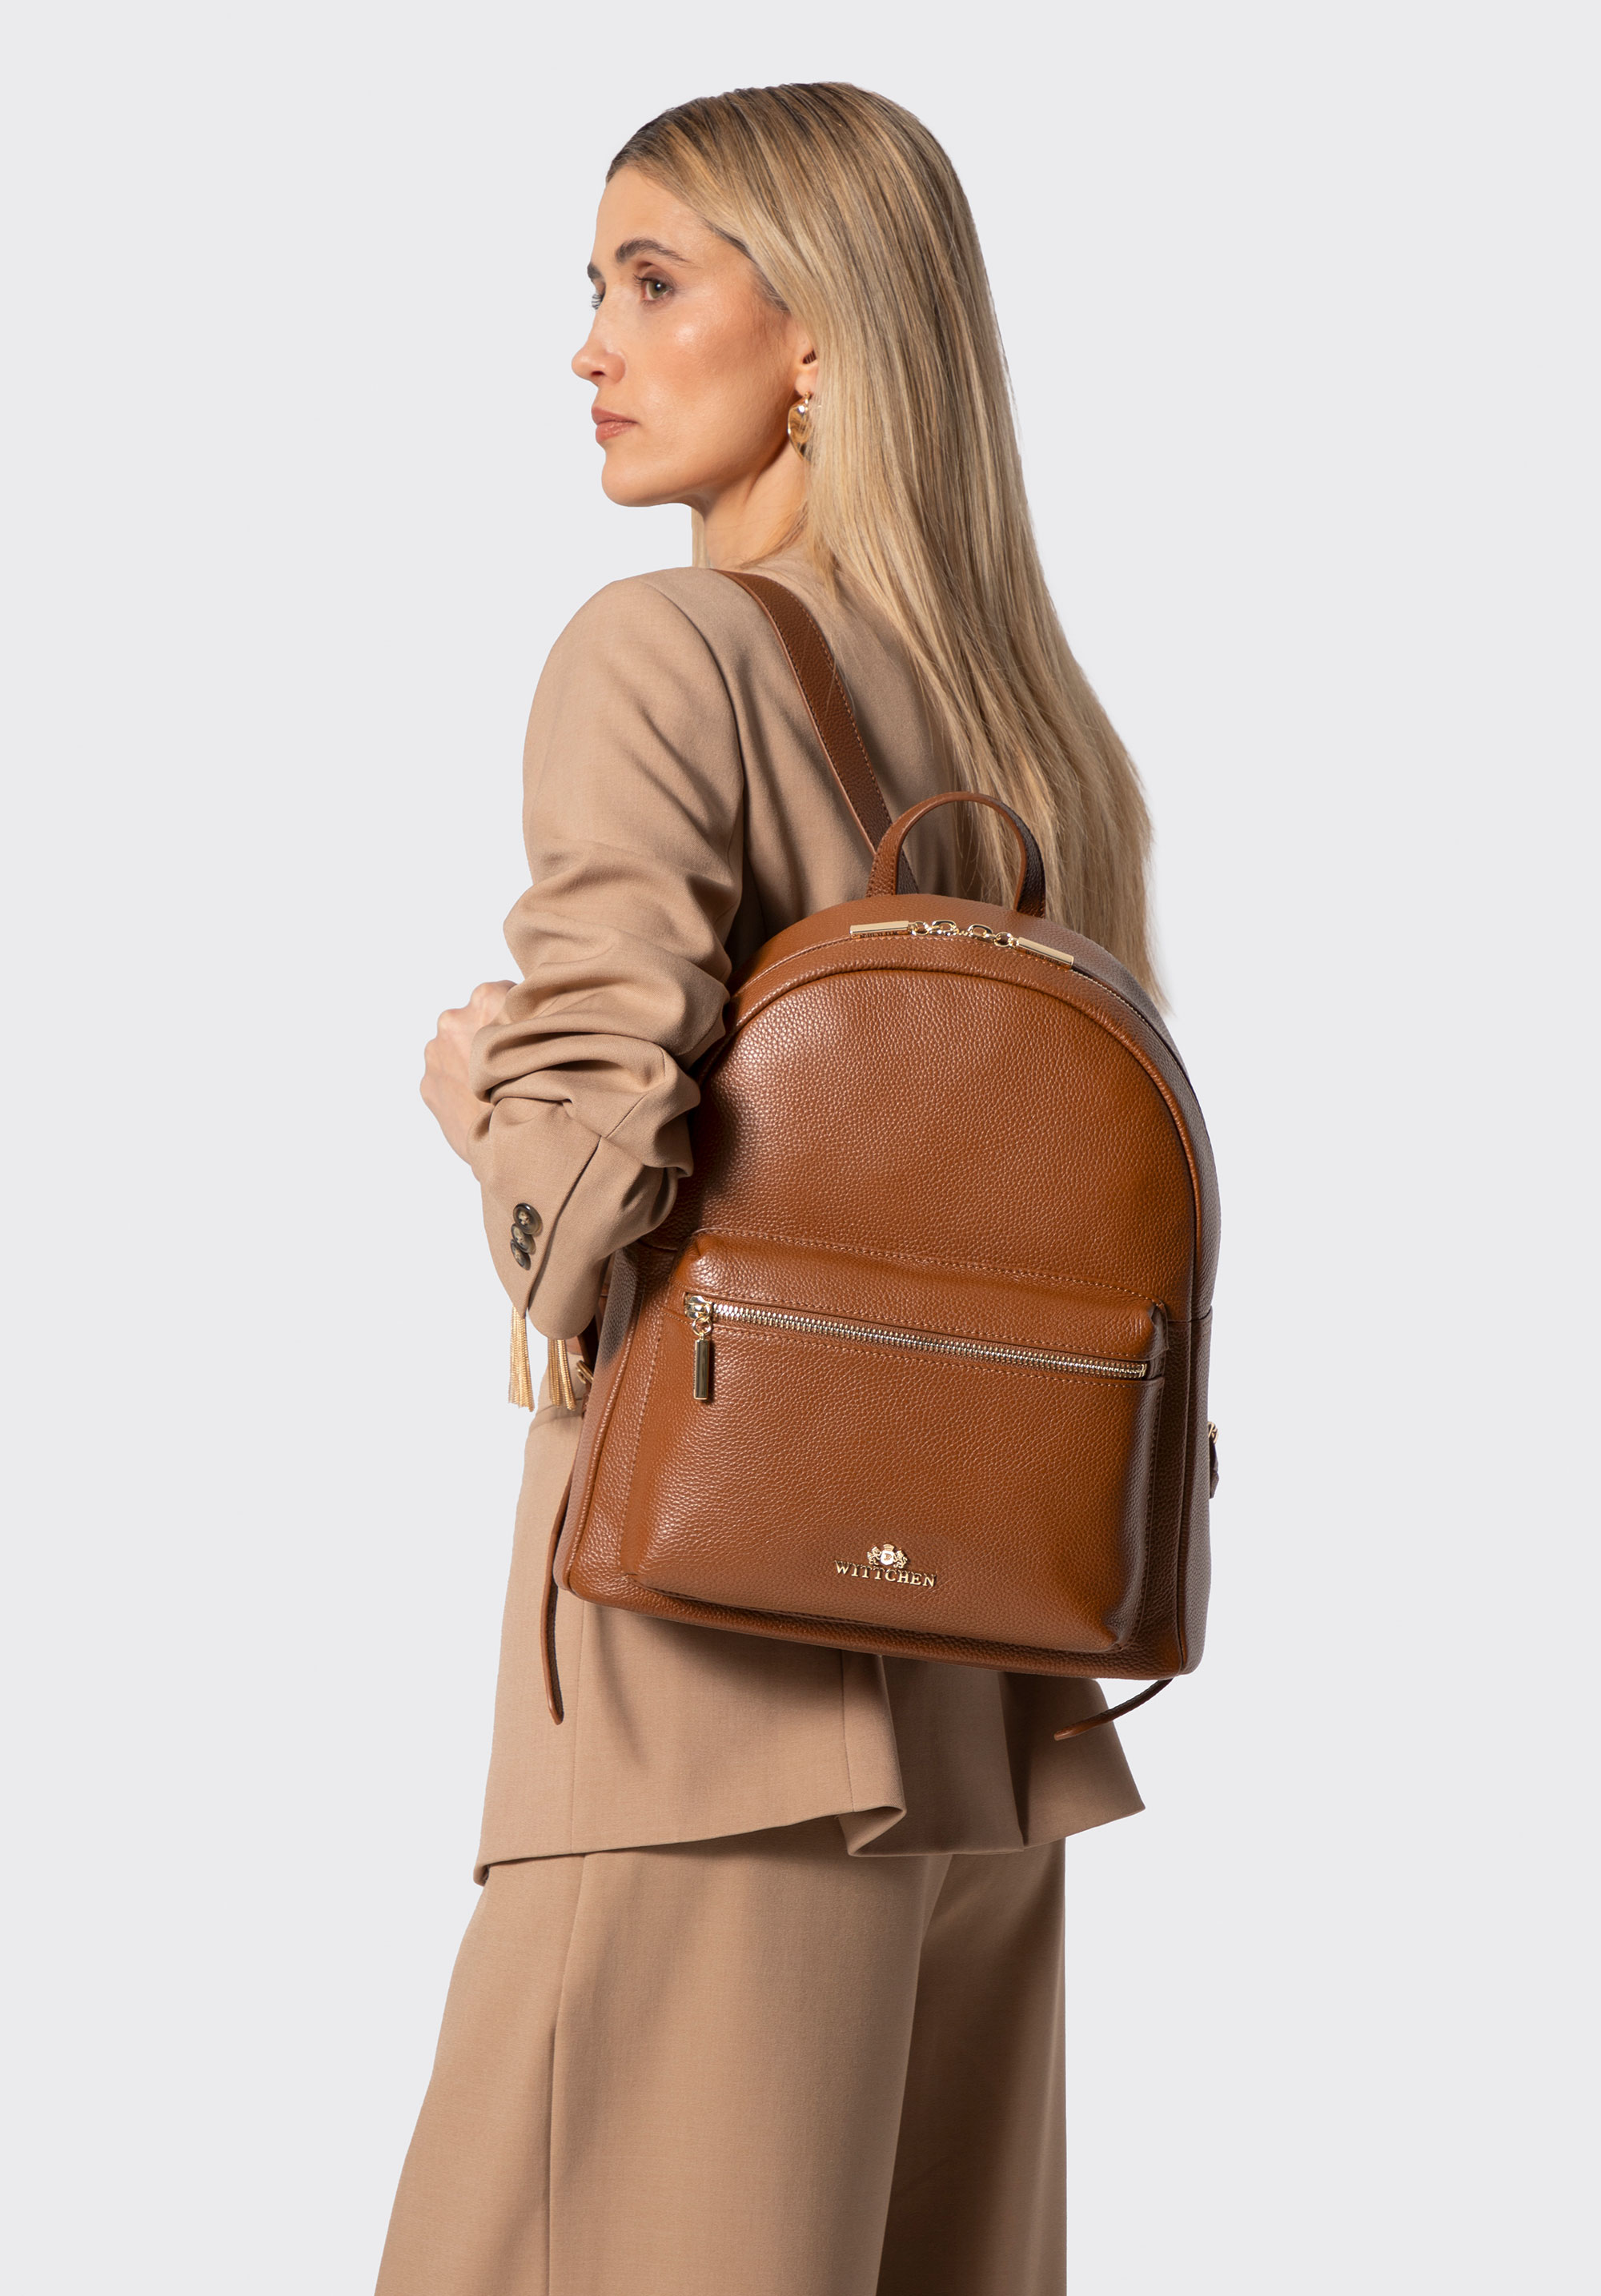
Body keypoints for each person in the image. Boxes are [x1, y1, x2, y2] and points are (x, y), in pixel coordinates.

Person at [379, 82, 1161, 2296]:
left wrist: (481, 1093)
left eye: (653, 282)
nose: (592, 346)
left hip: (704, 1697)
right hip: (985, 1711)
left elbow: (585, 1208)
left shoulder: (666, 653)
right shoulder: (1037, 741)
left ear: (817, 337)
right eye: (594, 288)